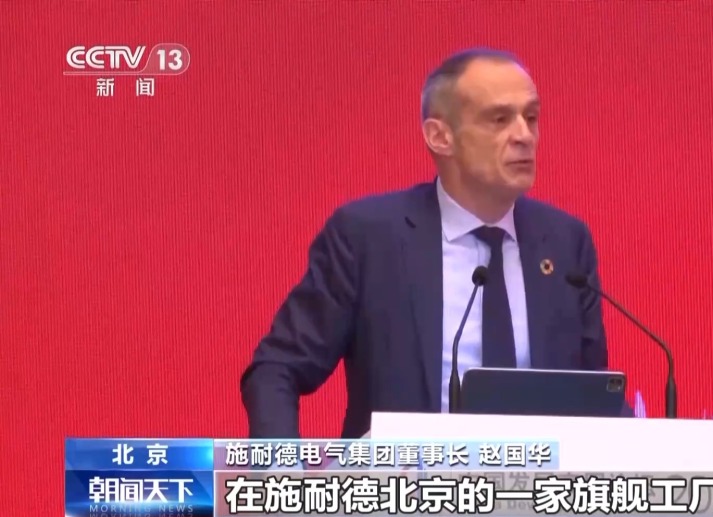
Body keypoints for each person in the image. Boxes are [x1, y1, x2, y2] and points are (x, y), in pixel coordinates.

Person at [240, 48, 612, 439]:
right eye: (499, 119)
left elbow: (594, 394)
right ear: (440, 137)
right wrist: (280, 468)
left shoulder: (565, 243)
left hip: (540, 474)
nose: (524, 136)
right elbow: (276, 368)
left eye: (531, 117)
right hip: (402, 476)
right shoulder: (368, 237)